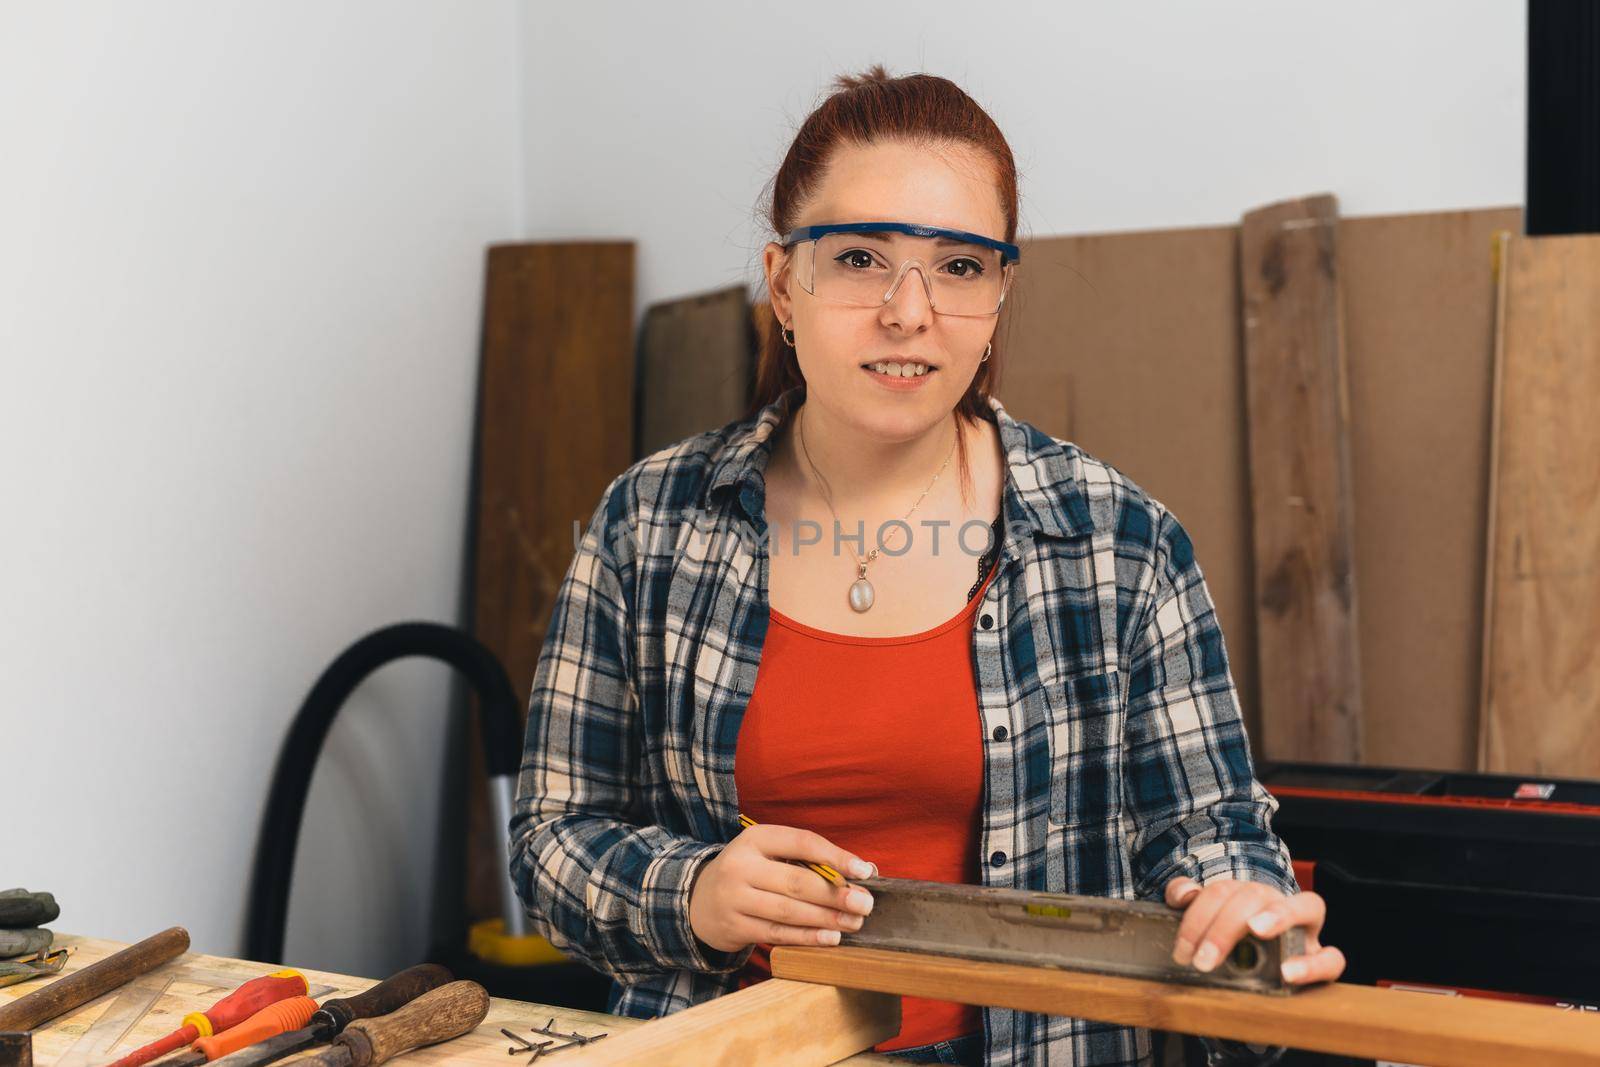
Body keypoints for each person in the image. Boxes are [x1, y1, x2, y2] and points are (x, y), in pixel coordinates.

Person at [509, 66, 1344, 1067]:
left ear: (998, 294)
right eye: (860, 257)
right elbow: (550, 839)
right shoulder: (649, 523)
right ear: (782, 282)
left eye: (958, 267)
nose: (910, 311)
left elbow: (1214, 833)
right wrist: (691, 892)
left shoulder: (1119, 540)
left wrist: (1238, 901)